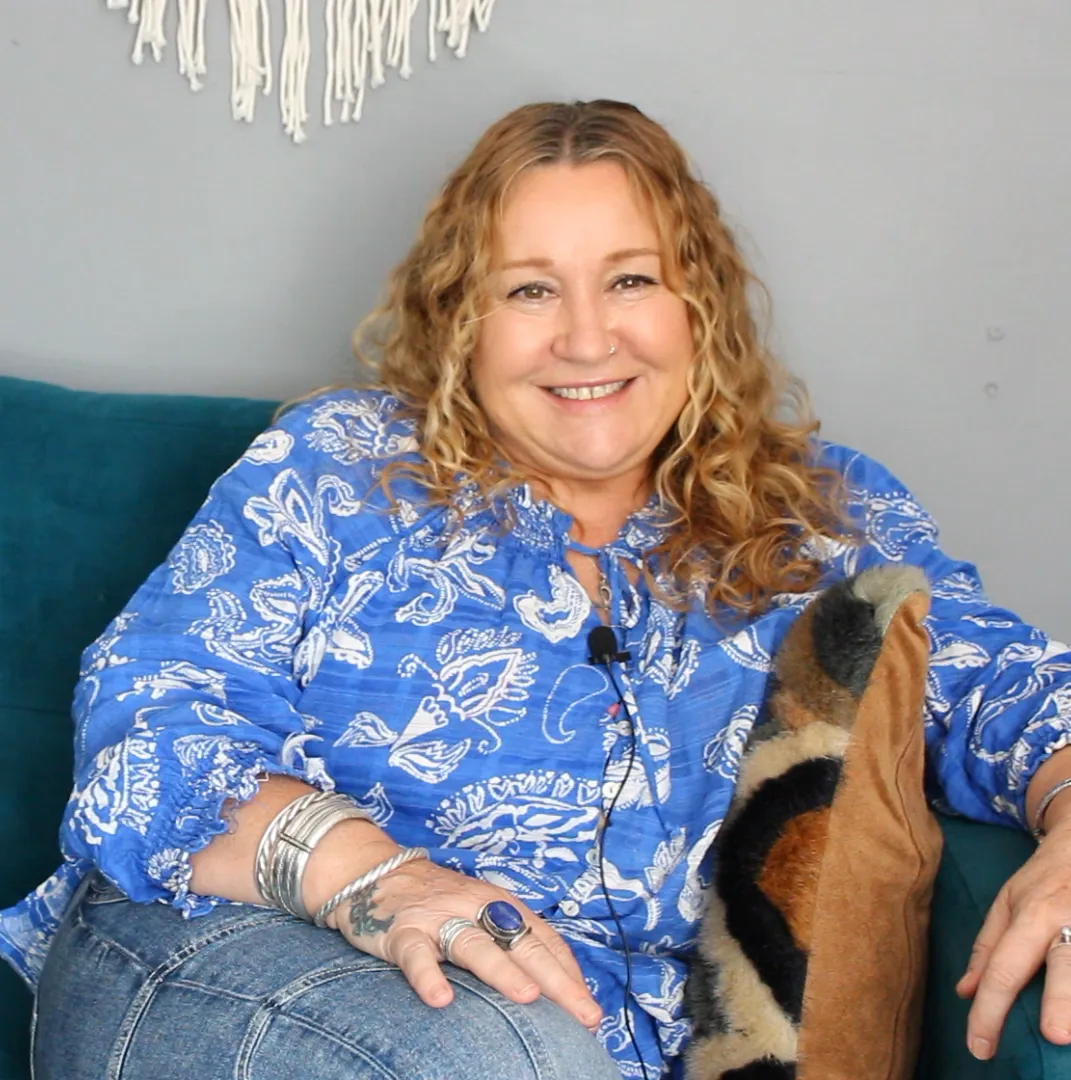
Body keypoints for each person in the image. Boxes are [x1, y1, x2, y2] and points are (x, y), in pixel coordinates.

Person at [2, 99, 1070, 1080]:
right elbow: (153, 734)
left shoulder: (822, 519)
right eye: (528, 289)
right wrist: (388, 883)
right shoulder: (331, 470)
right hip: (231, 945)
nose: (586, 337)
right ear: (459, 318)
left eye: (631, 279)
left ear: (698, 303)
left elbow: (1007, 693)